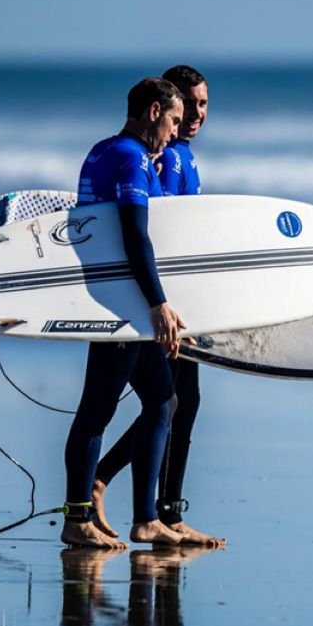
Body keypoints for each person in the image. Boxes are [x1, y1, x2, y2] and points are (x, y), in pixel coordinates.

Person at [90, 65, 225, 548]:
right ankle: (135, 500)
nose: (196, 115)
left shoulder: (180, 155)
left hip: (173, 302)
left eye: (205, 104)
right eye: (188, 105)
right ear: (165, 108)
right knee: (169, 401)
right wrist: (161, 303)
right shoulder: (161, 159)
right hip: (158, 304)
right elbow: (147, 235)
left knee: (175, 402)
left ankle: (162, 510)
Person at [60, 77, 187, 549]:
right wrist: (158, 304)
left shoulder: (104, 151)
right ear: (153, 111)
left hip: (118, 294)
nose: (175, 133)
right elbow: (136, 235)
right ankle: (76, 519)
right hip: (123, 303)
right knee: (96, 411)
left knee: (162, 401)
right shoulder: (131, 158)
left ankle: (146, 519)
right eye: (173, 120)